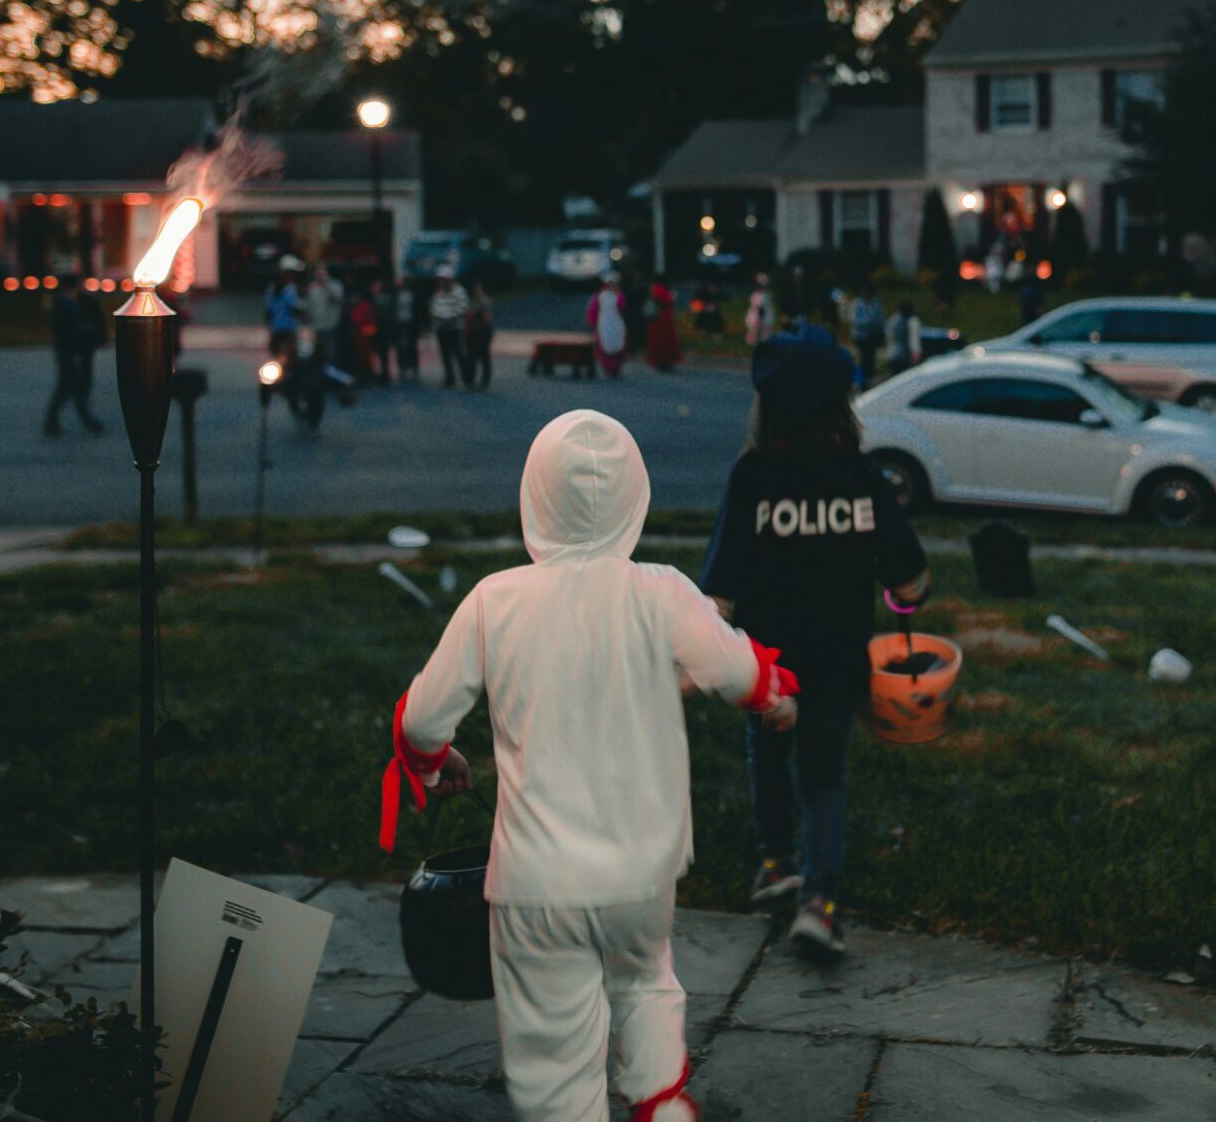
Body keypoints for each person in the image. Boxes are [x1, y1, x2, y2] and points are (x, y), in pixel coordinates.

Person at [382, 410, 797, 1122]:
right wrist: (776, 697)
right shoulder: (662, 592)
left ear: (533, 499)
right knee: (646, 988)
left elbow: (420, 721)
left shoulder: (495, 602)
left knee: (554, 1052)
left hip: (537, 885)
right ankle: (661, 1105)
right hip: (640, 875)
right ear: (635, 498)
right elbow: (739, 669)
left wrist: (433, 760)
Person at [701, 329, 931, 959]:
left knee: (768, 755)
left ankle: (777, 863)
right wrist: (903, 597)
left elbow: (718, 588)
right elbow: (909, 579)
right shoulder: (862, 477)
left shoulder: (752, 476)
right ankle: (820, 904)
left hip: (766, 665)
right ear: (841, 408)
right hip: (836, 662)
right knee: (824, 777)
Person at [42, 275, 108, 437]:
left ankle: (61, 421)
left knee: (72, 388)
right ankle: (62, 421)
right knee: (69, 388)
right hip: (69, 353)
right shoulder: (65, 305)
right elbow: (65, 333)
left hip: (73, 352)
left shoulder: (66, 303)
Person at [429, 267, 471, 389]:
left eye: (443, 279)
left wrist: (451, 317)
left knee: (459, 352)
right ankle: (449, 378)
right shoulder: (438, 292)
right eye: (439, 279)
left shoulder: (459, 291)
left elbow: (463, 307)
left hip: (454, 327)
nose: (441, 281)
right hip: (441, 327)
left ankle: (466, 377)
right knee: (445, 354)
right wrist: (438, 317)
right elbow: (433, 307)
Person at [587, 273, 629, 379]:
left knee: (618, 344)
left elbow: (622, 307)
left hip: (616, 323)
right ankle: (607, 368)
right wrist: (592, 321)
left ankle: (616, 367)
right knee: (604, 344)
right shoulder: (600, 296)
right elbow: (594, 309)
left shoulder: (619, 295)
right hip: (604, 323)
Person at [265, 256, 304, 361]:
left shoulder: (273, 289)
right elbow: (294, 308)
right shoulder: (290, 289)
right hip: (287, 330)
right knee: (290, 356)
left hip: (277, 329)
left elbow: (268, 311)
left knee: (277, 356)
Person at [463, 281, 497, 391]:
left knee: (481, 356)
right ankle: (472, 380)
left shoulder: (484, 302)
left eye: (479, 289)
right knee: (476, 357)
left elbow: (488, 318)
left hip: (481, 332)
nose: (477, 291)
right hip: (476, 332)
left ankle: (481, 380)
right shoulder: (476, 301)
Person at [845, 290, 884, 386]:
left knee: (870, 358)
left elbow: (880, 318)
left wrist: (880, 331)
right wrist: (868, 323)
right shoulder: (856, 303)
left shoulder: (875, 303)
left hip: (872, 335)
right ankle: (861, 380)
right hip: (861, 335)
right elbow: (854, 319)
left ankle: (869, 378)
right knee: (862, 358)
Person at [645, 280, 682, 373]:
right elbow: (669, 303)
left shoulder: (656, 290)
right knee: (667, 339)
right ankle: (667, 361)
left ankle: (660, 361)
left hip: (657, 319)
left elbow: (656, 301)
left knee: (659, 340)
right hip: (666, 318)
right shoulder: (666, 292)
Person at [352, 284, 386, 385]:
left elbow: (355, 318)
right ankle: (370, 372)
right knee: (369, 355)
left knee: (366, 355)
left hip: (364, 334)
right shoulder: (369, 305)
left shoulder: (364, 306)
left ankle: (368, 373)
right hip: (368, 333)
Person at [393, 273, 424, 381]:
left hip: (410, 322)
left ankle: (414, 366)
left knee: (411, 344)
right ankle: (402, 367)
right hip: (399, 322)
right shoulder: (396, 294)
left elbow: (418, 309)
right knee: (400, 346)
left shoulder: (413, 294)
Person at [884, 298, 923, 378]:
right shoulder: (912, 320)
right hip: (905, 357)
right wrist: (916, 356)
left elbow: (888, 335)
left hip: (892, 354)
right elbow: (914, 340)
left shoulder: (893, 319)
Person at [743, 272, 775, 346]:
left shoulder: (767, 294)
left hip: (766, 314)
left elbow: (766, 306)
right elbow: (758, 306)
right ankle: (753, 341)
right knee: (754, 329)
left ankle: (764, 340)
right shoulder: (756, 294)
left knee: (766, 329)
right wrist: (759, 317)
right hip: (757, 314)